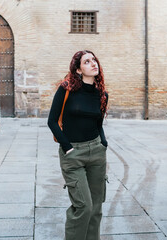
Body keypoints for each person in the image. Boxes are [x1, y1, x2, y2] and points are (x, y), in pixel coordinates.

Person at [47, 50, 108, 240]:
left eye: (94, 60)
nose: (93, 63)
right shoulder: (66, 90)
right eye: (87, 61)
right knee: (83, 206)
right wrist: (67, 148)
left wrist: (103, 143)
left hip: (96, 152)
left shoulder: (102, 94)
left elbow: (98, 123)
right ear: (79, 69)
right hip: (73, 153)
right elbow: (51, 121)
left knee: (96, 207)